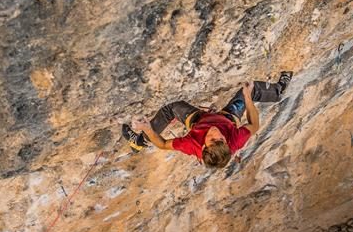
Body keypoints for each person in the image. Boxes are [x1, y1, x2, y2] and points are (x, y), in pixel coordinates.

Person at [121, 72, 292, 169]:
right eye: (221, 139)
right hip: (228, 117)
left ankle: (140, 142)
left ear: (203, 146)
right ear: (227, 144)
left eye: (212, 139)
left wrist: (147, 128)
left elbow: (163, 144)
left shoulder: (191, 145)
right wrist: (247, 98)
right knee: (251, 91)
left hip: (198, 121)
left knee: (171, 108)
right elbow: (254, 125)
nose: (216, 133)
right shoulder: (234, 141)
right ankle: (278, 91)